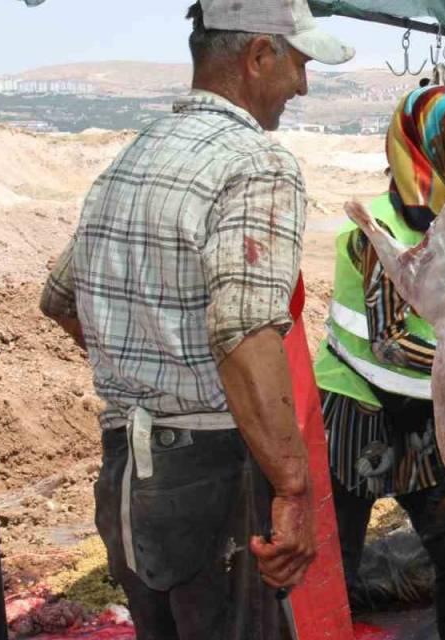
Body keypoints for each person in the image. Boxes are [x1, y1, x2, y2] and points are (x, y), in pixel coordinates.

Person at [38, 1, 352, 637]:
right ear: (259, 56)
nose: (303, 84)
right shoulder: (256, 162)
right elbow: (244, 331)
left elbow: (61, 296)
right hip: (214, 474)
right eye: (298, 62)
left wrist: (146, 369)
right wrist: (293, 490)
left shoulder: (134, 158)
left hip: (128, 475)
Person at [313, 84, 445, 639]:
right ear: (435, 149)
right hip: (353, 415)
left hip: (425, 414)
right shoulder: (377, 232)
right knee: (329, 568)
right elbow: (389, 342)